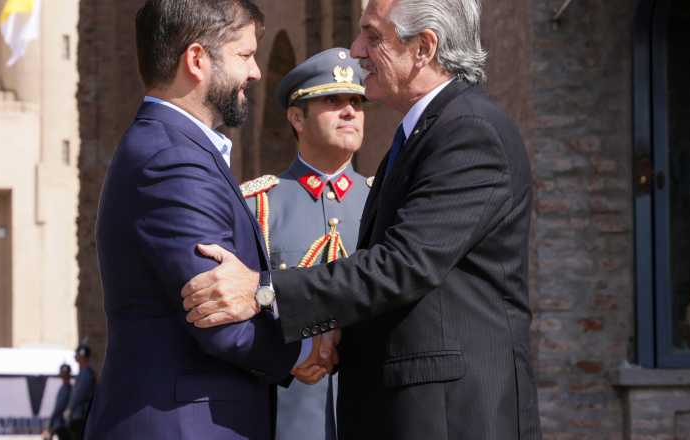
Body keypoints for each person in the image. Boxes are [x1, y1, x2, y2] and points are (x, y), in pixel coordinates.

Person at [180, 0, 541, 438]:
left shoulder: (468, 132)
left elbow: (402, 265)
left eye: (372, 36)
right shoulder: (426, 132)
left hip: (451, 417)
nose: (356, 50)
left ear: (424, 48)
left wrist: (262, 290)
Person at [84, 1, 333, 439]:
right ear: (197, 60)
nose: (255, 72)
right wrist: (310, 348)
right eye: (243, 56)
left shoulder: (172, 148)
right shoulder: (173, 160)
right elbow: (218, 316)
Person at [239, 47, 370, 440]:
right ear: (297, 118)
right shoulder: (258, 205)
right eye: (333, 101)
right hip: (286, 417)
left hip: (372, 413)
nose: (349, 111)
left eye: (356, 102)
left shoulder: (386, 201)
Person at [67, 344, 94, 440]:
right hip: (79, 415)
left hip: (81, 415)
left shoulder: (85, 374)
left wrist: (70, 408)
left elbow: (79, 395)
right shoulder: (83, 373)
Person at [43, 364, 73, 440]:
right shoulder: (66, 387)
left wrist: (51, 422)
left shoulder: (66, 388)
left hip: (62, 424)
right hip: (61, 423)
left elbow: (59, 408)